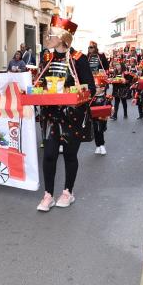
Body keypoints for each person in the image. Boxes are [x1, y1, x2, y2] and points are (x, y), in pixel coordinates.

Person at [36, 15, 95, 212]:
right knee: (49, 155)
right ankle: (48, 195)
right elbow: (40, 83)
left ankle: (68, 192)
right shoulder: (46, 58)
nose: (48, 36)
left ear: (63, 36)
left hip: (73, 116)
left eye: (51, 33)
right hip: (51, 115)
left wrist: (75, 92)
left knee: (70, 155)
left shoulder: (79, 59)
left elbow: (91, 89)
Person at [91, 83, 112, 155]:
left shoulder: (106, 97)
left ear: (102, 88)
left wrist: (110, 109)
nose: (95, 89)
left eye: (97, 87)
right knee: (95, 131)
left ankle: (102, 145)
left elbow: (109, 107)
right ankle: (97, 146)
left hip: (102, 118)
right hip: (94, 117)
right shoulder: (91, 98)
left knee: (100, 131)